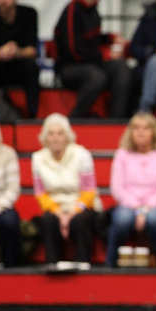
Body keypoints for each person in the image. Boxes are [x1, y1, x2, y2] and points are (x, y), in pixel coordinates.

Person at [53, 0, 132, 119]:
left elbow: (92, 39)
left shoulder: (93, 10)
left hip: (92, 63)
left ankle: (116, 120)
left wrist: (110, 38)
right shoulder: (72, 11)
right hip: (69, 67)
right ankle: (75, 119)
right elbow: (73, 50)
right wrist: (104, 55)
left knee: (122, 68)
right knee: (96, 77)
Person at [107, 113, 156, 268]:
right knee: (122, 219)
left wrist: (145, 210)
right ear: (130, 132)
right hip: (129, 205)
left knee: (154, 218)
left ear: (154, 132)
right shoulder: (122, 154)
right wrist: (138, 208)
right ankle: (110, 266)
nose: (141, 132)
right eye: (136, 128)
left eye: (146, 128)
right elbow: (117, 188)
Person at [31, 113, 100, 265]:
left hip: (81, 205)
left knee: (80, 220)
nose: (55, 138)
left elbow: (89, 191)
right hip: (55, 206)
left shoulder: (82, 154)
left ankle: (83, 263)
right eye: (51, 133)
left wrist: (71, 213)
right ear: (45, 137)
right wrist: (59, 213)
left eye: (60, 133)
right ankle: (52, 264)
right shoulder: (37, 158)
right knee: (48, 220)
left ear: (68, 136)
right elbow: (40, 193)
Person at [0, 0, 39, 118]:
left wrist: (16, 51)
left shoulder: (29, 14)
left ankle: (32, 117)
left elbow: (32, 50)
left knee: (32, 67)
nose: (3, 0)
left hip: (19, 65)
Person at [0, 112, 21, 266]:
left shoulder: (8, 153)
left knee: (10, 221)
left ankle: (11, 267)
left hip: (2, 206)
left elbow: (13, 189)